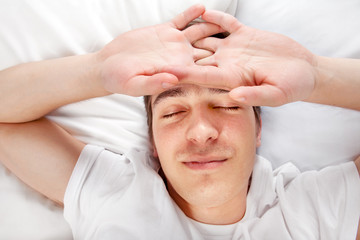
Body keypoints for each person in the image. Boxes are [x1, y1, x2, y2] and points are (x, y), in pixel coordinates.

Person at [0, 4, 359, 240]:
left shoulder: (315, 208)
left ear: (259, 129)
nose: (202, 132)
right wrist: (97, 70)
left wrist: (317, 74)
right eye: (173, 112)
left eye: (227, 106)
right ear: (153, 142)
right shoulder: (114, 192)